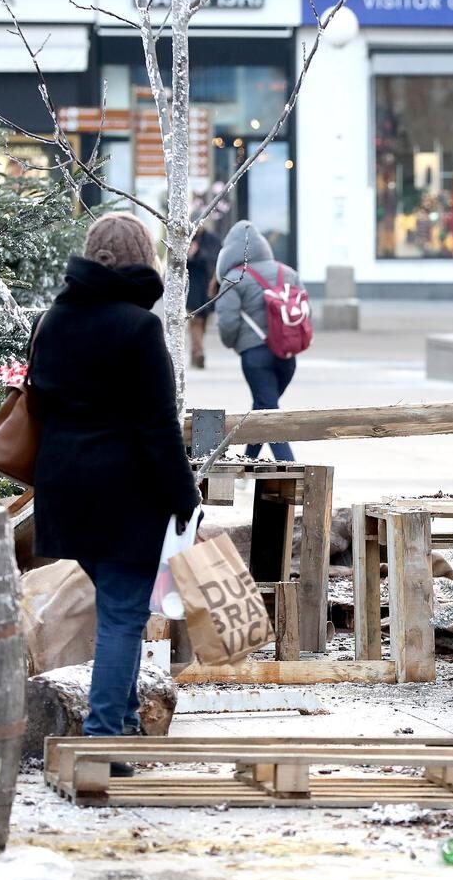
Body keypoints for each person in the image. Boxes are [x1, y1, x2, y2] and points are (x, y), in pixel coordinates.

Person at [30, 212, 200, 763]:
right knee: (125, 615)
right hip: (126, 495)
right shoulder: (139, 327)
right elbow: (157, 426)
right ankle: (105, 741)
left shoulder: (53, 319)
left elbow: (40, 402)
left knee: (117, 606)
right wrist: (184, 496)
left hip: (66, 491)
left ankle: (123, 724)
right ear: (142, 260)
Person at [216, 220, 300, 461]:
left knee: (268, 412)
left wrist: (233, 343)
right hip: (288, 354)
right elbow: (305, 312)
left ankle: (291, 468)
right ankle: (250, 459)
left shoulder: (234, 277)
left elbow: (227, 323)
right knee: (264, 406)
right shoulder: (288, 273)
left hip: (256, 355)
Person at [185, 224, 221, 369]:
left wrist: (197, 253)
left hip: (208, 287)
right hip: (192, 286)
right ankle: (198, 351)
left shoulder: (211, 240)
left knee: (203, 321)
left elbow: (215, 259)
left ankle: (196, 352)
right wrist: (189, 255)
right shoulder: (187, 238)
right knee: (195, 321)